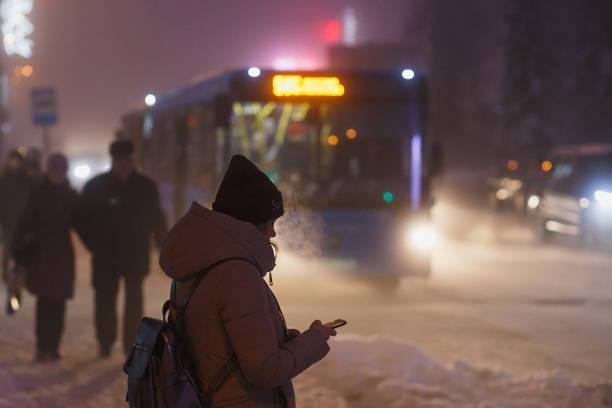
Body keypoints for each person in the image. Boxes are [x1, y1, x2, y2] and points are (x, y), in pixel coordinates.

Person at [159, 155, 335, 407]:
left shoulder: (199, 259)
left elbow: (218, 342)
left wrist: (287, 341)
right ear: (250, 222)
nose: (273, 232)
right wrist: (315, 340)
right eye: (270, 222)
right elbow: (265, 370)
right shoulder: (237, 275)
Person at [74, 140, 167, 357]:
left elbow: (157, 220)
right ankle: (105, 342)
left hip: (135, 253)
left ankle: (131, 345)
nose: (124, 164)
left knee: (134, 302)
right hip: (106, 254)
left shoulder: (146, 187)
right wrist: (93, 244)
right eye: (120, 160)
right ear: (113, 160)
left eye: (127, 160)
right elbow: (79, 218)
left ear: (132, 160)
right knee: (105, 300)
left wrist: (164, 245)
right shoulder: (96, 187)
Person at [12, 154, 77, 361]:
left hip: (62, 255)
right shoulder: (39, 193)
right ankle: (43, 347)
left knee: (58, 304)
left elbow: (84, 222)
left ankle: (53, 347)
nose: (57, 174)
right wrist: (18, 247)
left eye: (60, 170)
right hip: (42, 253)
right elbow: (24, 222)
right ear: (48, 171)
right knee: (44, 302)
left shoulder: (71, 195)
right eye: (54, 170)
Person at [0, 149, 36, 315]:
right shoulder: (4, 180)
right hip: (7, 231)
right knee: (7, 268)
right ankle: (12, 294)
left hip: (24, 234)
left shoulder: (29, 181)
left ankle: (15, 295)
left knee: (20, 267)